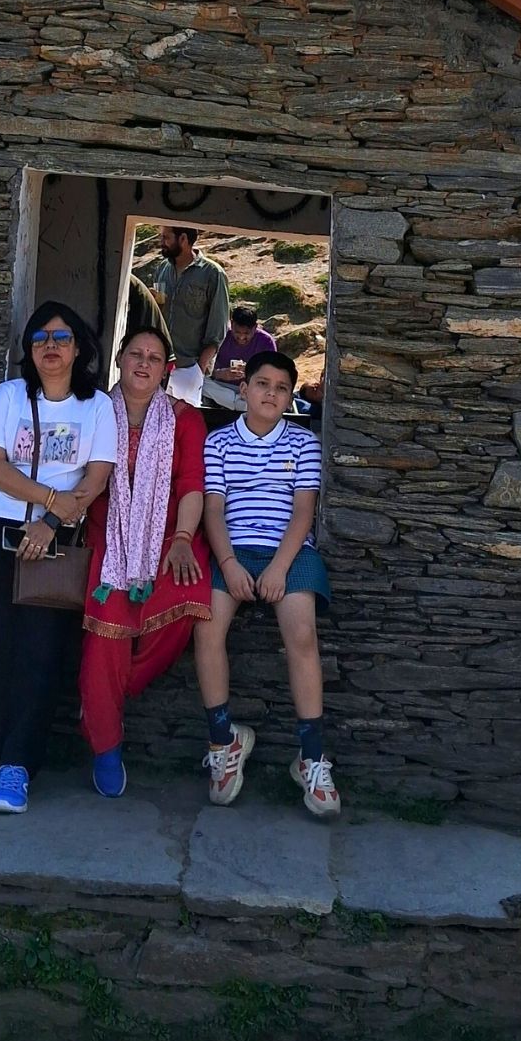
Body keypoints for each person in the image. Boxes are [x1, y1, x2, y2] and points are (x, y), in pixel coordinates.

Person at [0, 301, 117, 815]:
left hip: (56, 539)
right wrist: (48, 501)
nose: (50, 346)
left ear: (79, 347)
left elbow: (97, 475)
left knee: (40, 655)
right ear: (29, 347)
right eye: (41, 337)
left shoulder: (96, 407)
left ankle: (18, 767)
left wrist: (51, 523)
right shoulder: (9, 396)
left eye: (62, 337)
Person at [194, 349, 340, 818]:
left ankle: (311, 756)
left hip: (290, 553)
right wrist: (229, 564)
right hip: (232, 551)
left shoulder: (303, 444)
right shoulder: (218, 443)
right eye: (261, 384)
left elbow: (303, 510)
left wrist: (279, 568)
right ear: (244, 388)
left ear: (289, 396)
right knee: (206, 628)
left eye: (281, 388)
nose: (270, 393)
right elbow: (214, 510)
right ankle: (224, 741)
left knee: (301, 633)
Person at [79, 324, 210, 796]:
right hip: (109, 540)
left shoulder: (185, 419)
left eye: (155, 358)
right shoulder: (93, 412)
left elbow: (191, 484)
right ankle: (106, 745)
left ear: (166, 370)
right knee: (107, 632)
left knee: (184, 607)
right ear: (119, 360)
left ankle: (100, 702)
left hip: (171, 536)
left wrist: (180, 538)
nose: (144, 363)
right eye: (136, 353)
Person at [152, 225, 230, 408]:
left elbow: (218, 326)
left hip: (188, 367)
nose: (161, 242)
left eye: (166, 237)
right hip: (158, 365)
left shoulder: (213, 274)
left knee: (183, 426)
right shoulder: (162, 269)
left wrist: (199, 368)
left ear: (183, 239)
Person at [203, 302, 278, 412]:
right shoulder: (221, 336)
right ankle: (238, 403)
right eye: (237, 332)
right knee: (199, 382)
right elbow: (204, 367)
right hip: (221, 386)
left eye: (247, 333)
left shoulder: (266, 341)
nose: (242, 337)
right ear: (232, 324)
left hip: (250, 389)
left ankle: (234, 403)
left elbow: (273, 373)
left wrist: (252, 372)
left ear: (255, 327)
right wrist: (220, 374)